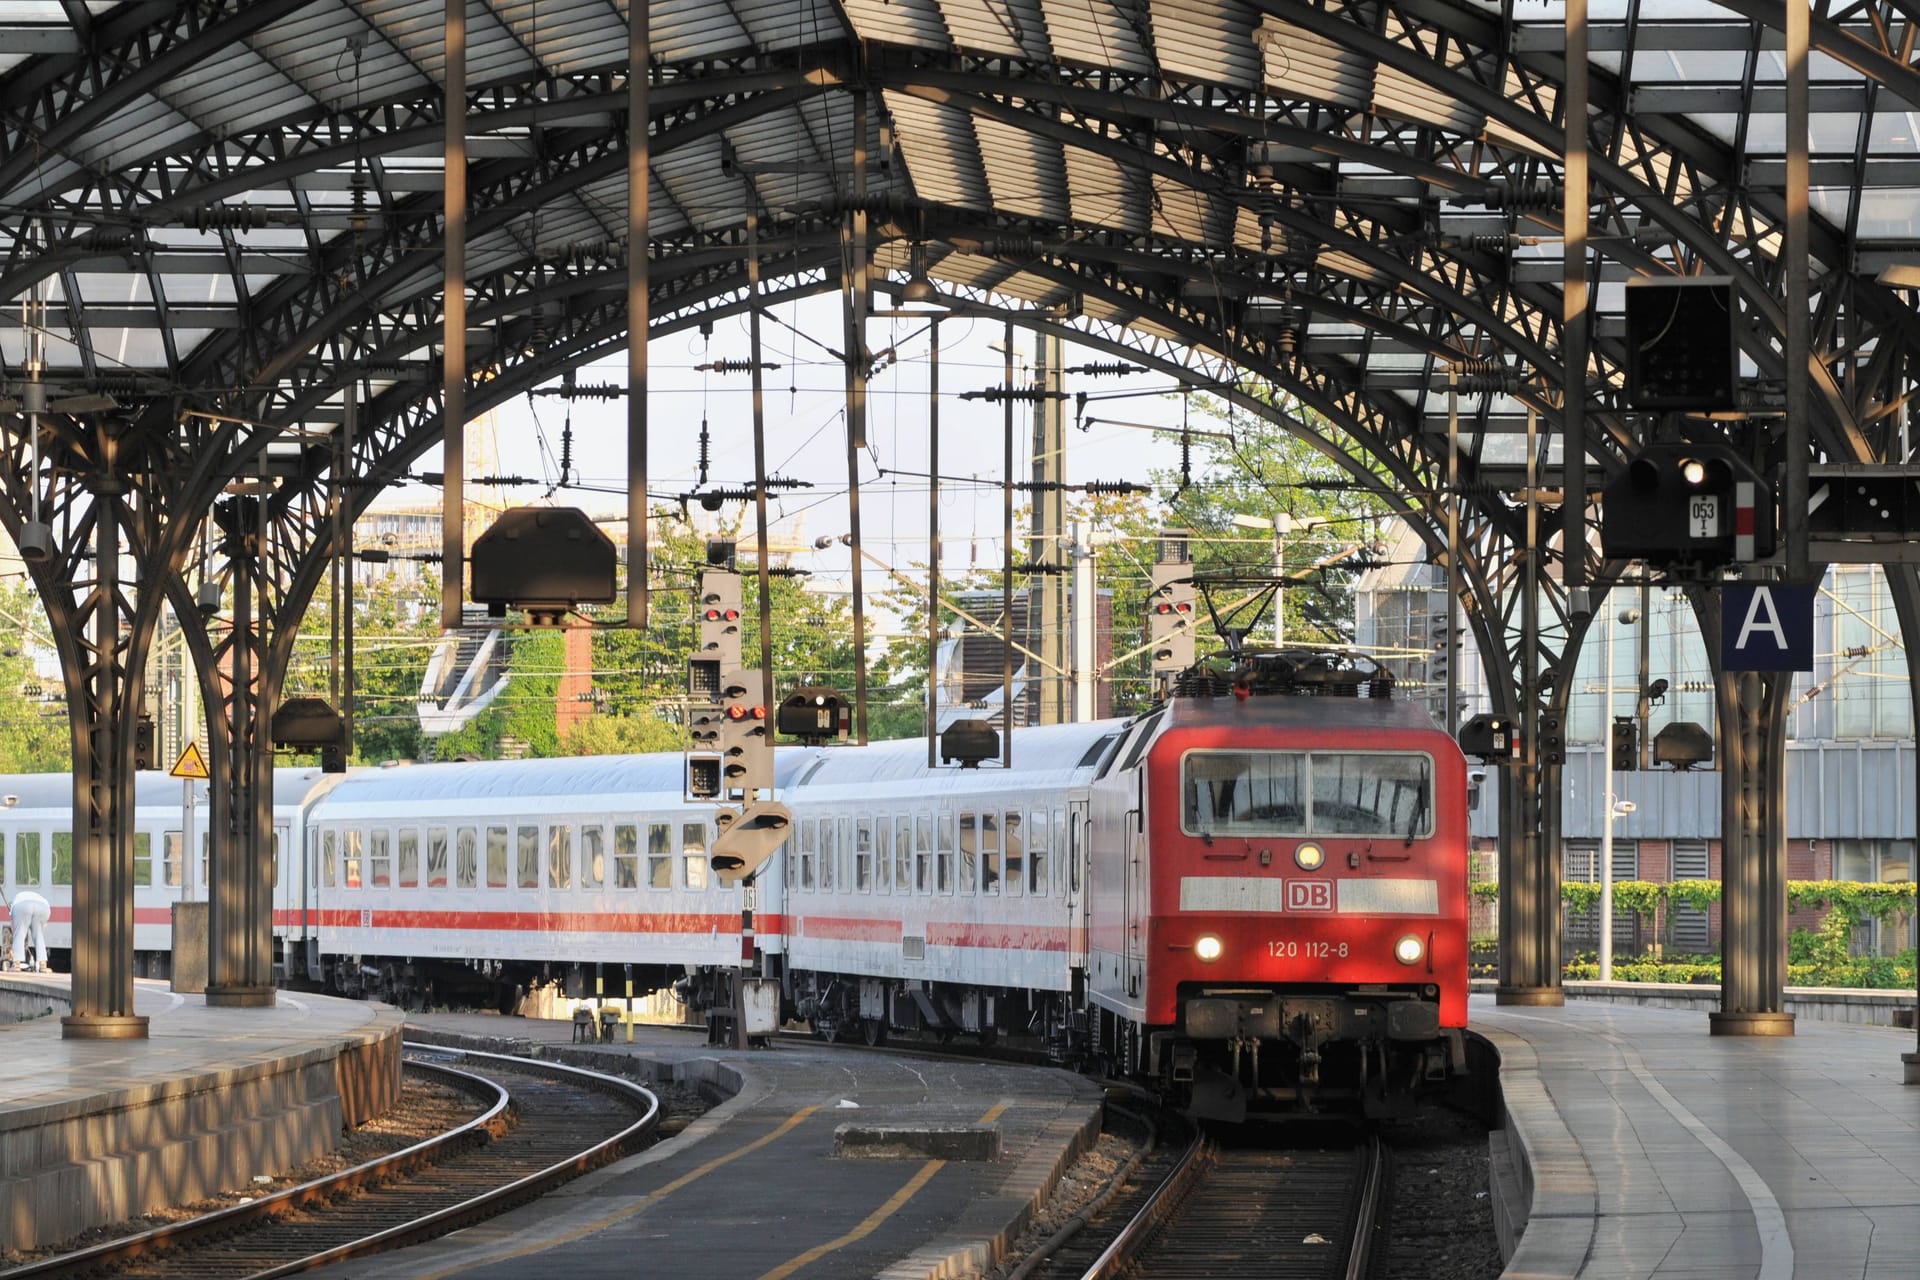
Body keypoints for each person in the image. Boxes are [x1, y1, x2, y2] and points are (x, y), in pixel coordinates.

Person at [10, 890, 49, 972]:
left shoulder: (16, 901)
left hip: (21, 905)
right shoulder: (40, 898)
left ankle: (16, 964)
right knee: (39, 935)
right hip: (43, 907)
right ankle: (43, 965)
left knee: (19, 934)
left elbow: (15, 927)